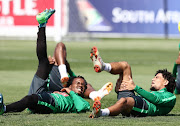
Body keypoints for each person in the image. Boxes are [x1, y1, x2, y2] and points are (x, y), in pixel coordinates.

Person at [0, 9, 91, 115]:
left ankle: (4, 109)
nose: (81, 86)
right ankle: (42, 24)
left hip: (50, 103)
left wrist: (70, 92)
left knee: (31, 99)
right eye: (78, 83)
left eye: (83, 86)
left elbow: (81, 107)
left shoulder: (81, 101)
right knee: (43, 62)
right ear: (70, 84)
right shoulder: (62, 88)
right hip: (43, 94)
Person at [89, 46, 176, 118]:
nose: (153, 79)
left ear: (165, 82)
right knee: (125, 66)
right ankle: (103, 66)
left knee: (124, 100)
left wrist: (135, 88)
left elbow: (156, 100)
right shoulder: (153, 92)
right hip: (135, 99)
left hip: (145, 107)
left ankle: (100, 113)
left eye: (157, 77)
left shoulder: (171, 97)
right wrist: (120, 89)